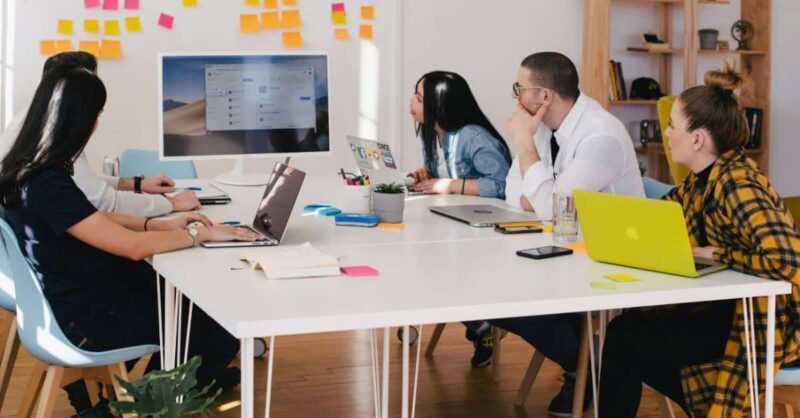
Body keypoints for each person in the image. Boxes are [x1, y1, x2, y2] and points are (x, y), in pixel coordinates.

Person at [0, 68, 264, 417]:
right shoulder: (50, 182)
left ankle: (153, 393)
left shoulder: (26, 170)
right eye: (97, 114)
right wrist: (199, 234)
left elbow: (91, 220)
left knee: (189, 313)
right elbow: (132, 247)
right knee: (215, 326)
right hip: (83, 320)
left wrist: (155, 224)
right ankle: (125, 410)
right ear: (83, 119)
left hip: (66, 300)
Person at [598, 64, 800, 417]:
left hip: (766, 319)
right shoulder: (700, 180)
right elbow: (662, 218)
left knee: (626, 339)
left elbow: (788, 260)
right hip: (725, 306)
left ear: (697, 139)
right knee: (627, 332)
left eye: (673, 125)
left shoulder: (737, 183)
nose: (666, 131)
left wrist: (718, 253)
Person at [491, 52, 644, 417]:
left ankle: (588, 367)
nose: (515, 97)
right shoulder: (544, 127)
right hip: (565, 246)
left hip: (608, 259)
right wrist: (544, 192)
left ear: (544, 96)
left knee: (517, 301)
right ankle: (583, 362)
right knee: (496, 295)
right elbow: (512, 191)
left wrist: (526, 148)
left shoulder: (600, 136)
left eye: (520, 89)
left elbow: (549, 206)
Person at [0, 51, 199, 217]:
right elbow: (102, 201)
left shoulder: (32, 122)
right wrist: (171, 204)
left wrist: (136, 184)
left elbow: (82, 183)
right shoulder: (53, 136)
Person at [407, 71, 511, 198]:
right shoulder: (431, 132)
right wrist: (428, 177)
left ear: (441, 106)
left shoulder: (473, 138)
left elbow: (501, 185)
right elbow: (446, 175)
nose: (411, 101)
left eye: (419, 99)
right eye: (414, 94)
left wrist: (450, 185)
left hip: (481, 214)